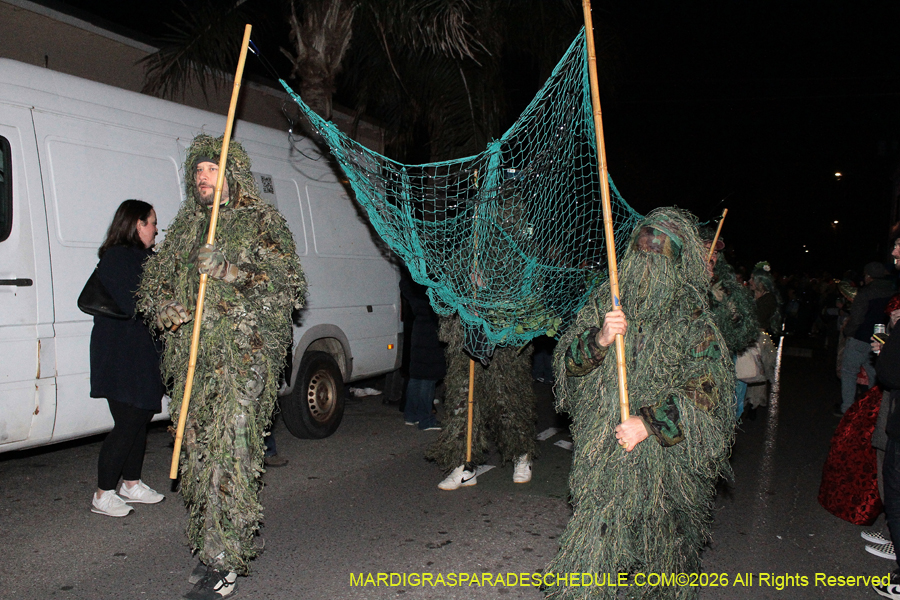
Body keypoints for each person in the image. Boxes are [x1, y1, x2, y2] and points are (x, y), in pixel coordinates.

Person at [138, 135, 305, 599]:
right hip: (194, 365)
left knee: (231, 454)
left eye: (212, 168)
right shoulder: (187, 229)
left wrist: (229, 269)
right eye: (198, 171)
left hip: (243, 360)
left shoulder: (261, 222)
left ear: (232, 175)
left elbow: (286, 287)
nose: (203, 177)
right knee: (197, 456)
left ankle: (226, 557)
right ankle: (220, 539)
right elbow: (153, 285)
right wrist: (165, 308)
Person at [544, 208, 735, 600]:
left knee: (664, 563)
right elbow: (568, 367)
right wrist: (598, 340)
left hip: (667, 470)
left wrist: (649, 424)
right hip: (608, 459)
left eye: (659, 260)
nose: (648, 269)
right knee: (590, 559)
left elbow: (708, 392)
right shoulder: (607, 299)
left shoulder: (692, 317)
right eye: (642, 255)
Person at [90, 200, 166, 517]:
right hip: (120, 356)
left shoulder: (145, 258)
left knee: (139, 421)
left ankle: (131, 484)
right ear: (137, 224)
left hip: (142, 354)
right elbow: (137, 304)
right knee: (128, 423)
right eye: (152, 223)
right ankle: (102, 492)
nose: (156, 229)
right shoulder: (118, 258)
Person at [427, 316, 537, 489]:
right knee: (462, 400)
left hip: (504, 339)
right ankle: (464, 465)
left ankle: (521, 454)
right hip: (466, 337)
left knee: (507, 399)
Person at [839, 261, 894, 415]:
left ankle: (847, 409)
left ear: (868, 276)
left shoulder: (865, 293)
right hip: (881, 338)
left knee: (849, 372)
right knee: (874, 374)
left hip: (861, 337)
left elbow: (857, 318)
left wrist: (848, 332)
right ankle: (874, 411)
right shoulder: (892, 292)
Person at [400, 268, 445, 431]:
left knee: (417, 375)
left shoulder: (410, 281)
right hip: (431, 329)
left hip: (418, 328)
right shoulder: (430, 284)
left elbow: (404, 285)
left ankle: (411, 414)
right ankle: (425, 419)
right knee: (428, 376)